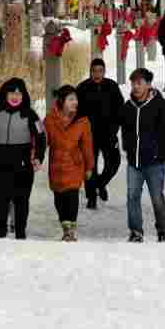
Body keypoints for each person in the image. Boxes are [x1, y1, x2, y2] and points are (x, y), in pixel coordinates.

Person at [0, 77, 44, 239]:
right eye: (12, 93)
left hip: (22, 166)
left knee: (21, 201)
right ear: (5, 94)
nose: (15, 96)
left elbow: (41, 137)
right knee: (0, 200)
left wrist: (38, 157)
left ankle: (20, 233)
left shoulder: (31, 115)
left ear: (24, 95)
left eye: (19, 93)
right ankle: (0, 232)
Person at [118, 67, 165, 242]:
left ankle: (162, 229)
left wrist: (155, 148)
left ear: (148, 84)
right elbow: (124, 128)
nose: (135, 86)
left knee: (157, 197)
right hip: (134, 162)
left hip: (154, 162)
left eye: (139, 83)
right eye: (133, 83)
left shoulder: (160, 104)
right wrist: (127, 146)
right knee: (132, 197)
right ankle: (136, 231)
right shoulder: (128, 107)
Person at [42, 84, 94, 242]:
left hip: (74, 163)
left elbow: (87, 144)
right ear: (62, 101)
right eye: (71, 99)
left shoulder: (82, 120)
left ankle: (70, 231)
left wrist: (89, 166)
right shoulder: (50, 120)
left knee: (72, 197)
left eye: (76, 99)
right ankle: (65, 226)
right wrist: (35, 157)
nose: (75, 102)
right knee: (59, 198)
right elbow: (43, 141)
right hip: (56, 164)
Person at [74, 57, 125, 210]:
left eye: (100, 71)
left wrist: (115, 128)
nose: (97, 74)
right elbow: (75, 112)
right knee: (90, 167)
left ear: (104, 72)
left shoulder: (112, 86)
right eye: (94, 71)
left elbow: (120, 109)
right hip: (88, 135)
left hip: (108, 134)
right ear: (90, 72)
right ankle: (91, 196)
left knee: (114, 163)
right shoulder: (82, 88)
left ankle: (101, 183)